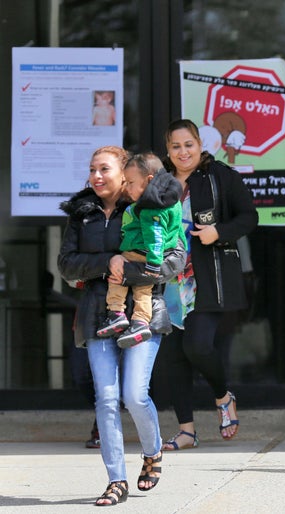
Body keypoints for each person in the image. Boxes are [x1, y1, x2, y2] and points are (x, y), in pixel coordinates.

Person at [58, 146, 186, 506]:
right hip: (99, 313)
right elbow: (67, 265)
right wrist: (108, 261)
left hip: (143, 312)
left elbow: (175, 259)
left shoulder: (151, 204)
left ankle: (153, 451)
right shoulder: (80, 214)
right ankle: (117, 480)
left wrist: (129, 271)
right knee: (108, 399)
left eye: (105, 169)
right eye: (92, 170)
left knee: (134, 394)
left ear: (124, 173)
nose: (96, 176)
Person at [160, 119, 258, 451]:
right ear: (168, 150)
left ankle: (223, 396)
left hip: (207, 277)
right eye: (175, 146)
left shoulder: (220, 176)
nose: (182, 151)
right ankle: (186, 430)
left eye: (188, 144)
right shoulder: (160, 183)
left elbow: (249, 217)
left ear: (200, 144)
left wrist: (218, 232)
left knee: (198, 346)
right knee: (174, 356)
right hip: (168, 281)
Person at [96, 153, 185, 348]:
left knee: (117, 276)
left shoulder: (150, 207)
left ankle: (116, 313)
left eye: (130, 183)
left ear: (149, 180)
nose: (126, 188)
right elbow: (177, 230)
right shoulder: (172, 200)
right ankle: (141, 322)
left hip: (141, 251)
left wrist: (153, 262)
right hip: (157, 254)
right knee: (143, 290)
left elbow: (155, 235)